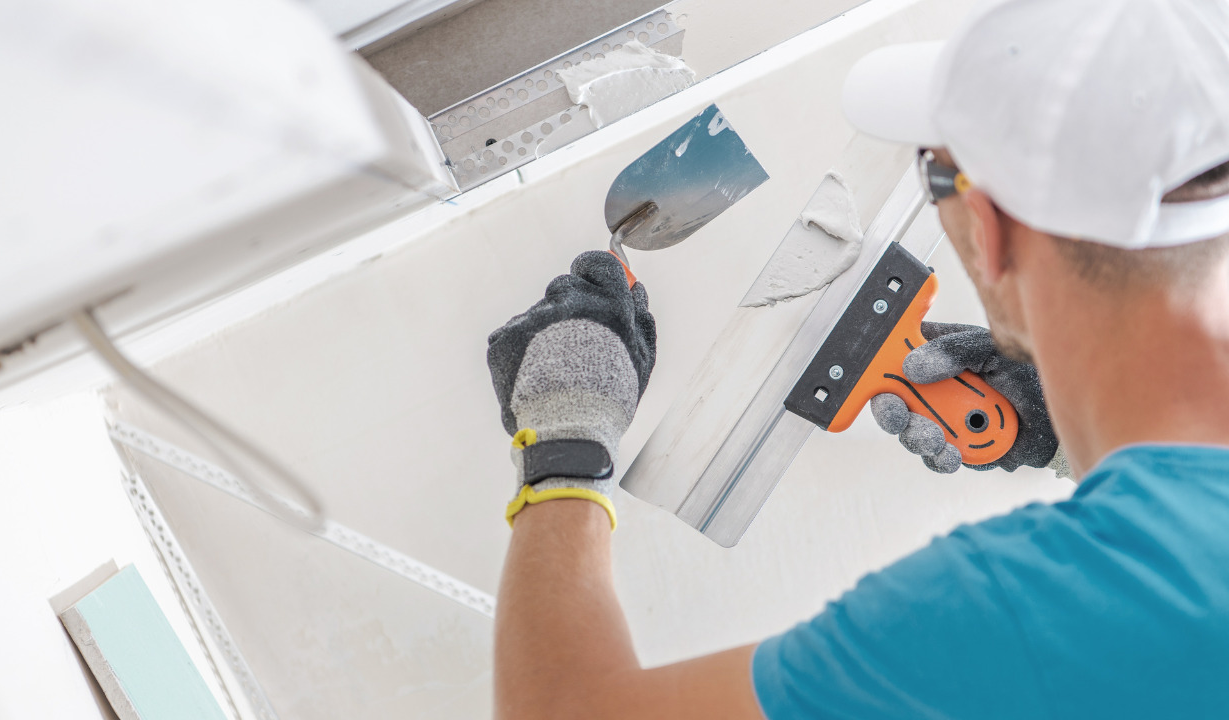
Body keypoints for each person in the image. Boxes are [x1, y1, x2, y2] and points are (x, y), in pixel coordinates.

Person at [484, 0, 1229, 716]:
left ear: (988, 226)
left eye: (934, 170)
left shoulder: (1033, 607)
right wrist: (1065, 436)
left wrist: (566, 442)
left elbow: (569, 712)